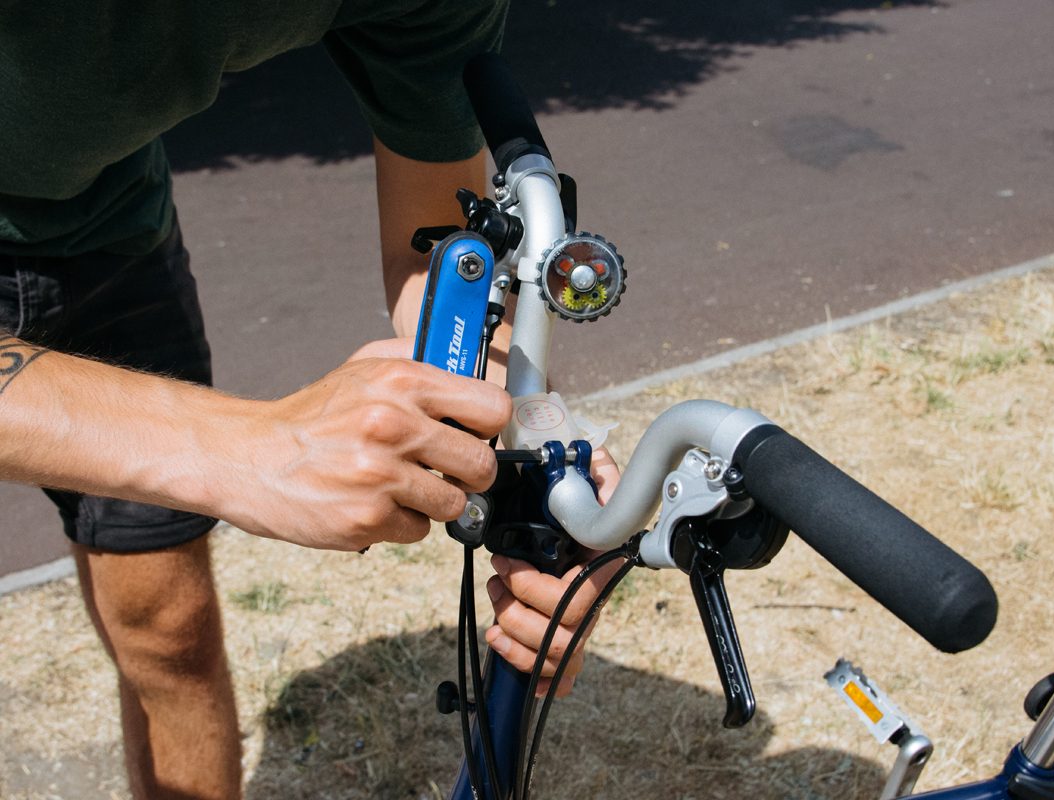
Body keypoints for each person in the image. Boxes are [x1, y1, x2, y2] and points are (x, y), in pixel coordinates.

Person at [0, 1, 616, 797]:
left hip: (107, 225)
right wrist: (248, 448)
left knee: (169, 628)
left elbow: (441, 256)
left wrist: (543, 451)